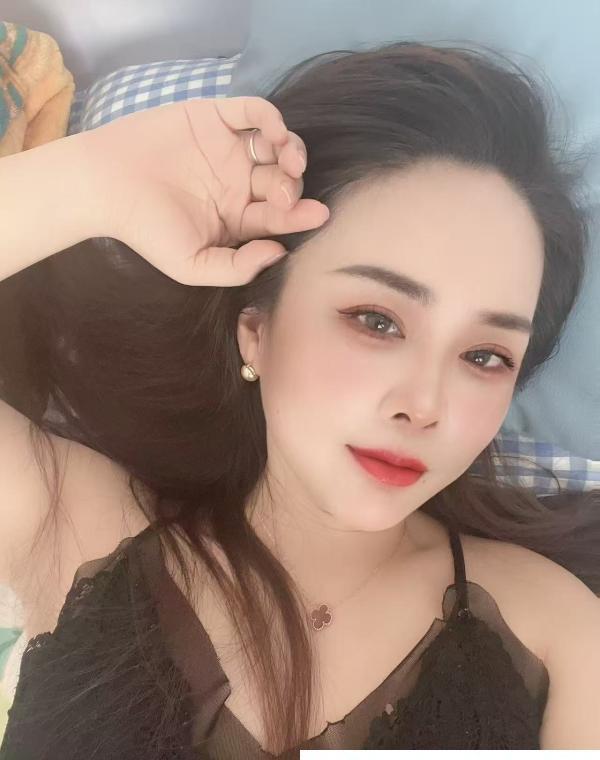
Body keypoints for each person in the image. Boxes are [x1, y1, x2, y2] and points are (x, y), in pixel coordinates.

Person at [0, 41, 599, 757]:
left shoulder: (556, 630)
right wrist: (96, 178)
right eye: (377, 320)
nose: (425, 405)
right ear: (255, 331)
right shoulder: (71, 522)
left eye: (485, 356)